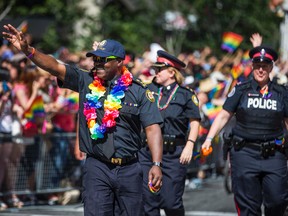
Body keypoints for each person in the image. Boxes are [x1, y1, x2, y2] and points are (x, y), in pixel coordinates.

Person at [3, 24, 163, 216]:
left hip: (129, 168)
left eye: (104, 60)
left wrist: (156, 164)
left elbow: (152, 129)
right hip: (97, 166)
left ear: (120, 62)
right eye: (96, 58)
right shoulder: (86, 81)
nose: (98, 63)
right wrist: (29, 52)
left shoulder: (138, 91)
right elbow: (54, 66)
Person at [202, 45, 288, 216]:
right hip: (244, 153)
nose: (261, 70)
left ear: (271, 67)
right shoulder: (241, 90)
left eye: (265, 66)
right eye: (257, 66)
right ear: (252, 66)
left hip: (275, 154)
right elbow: (223, 116)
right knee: (248, 206)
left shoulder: (282, 93)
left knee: (278, 200)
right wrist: (209, 139)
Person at [138, 50, 201, 216]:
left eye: (160, 70)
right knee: (148, 202)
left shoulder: (185, 94)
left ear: (172, 72)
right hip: (147, 152)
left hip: (173, 153)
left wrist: (190, 145)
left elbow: (195, 122)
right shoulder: (148, 89)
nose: (156, 73)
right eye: (155, 69)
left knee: (171, 202)